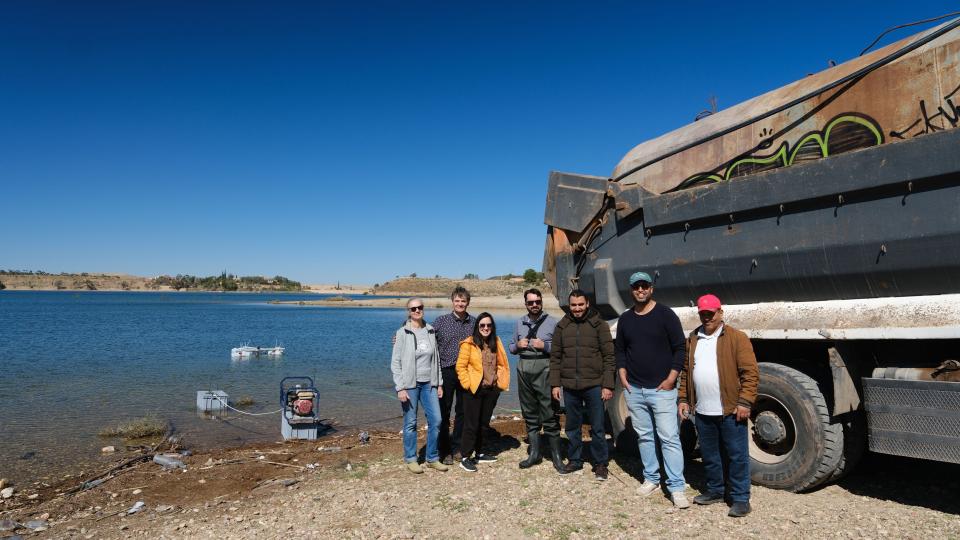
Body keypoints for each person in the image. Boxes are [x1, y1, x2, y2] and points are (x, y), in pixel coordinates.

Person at [678, 294, 759, 518]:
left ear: (720, 313)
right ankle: (715, 490)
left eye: (710, 314)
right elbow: (686, 373)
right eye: (703, 314)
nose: (707, 318)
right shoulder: (693, 338)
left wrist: (744, 402)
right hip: (703, 411)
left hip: (730, 409)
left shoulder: (736, 338)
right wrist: (683, 398)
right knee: (710, 455)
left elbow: (750, 373)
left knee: (737, 456)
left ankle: (741, 498)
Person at [615, 271, 689, 508]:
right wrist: (622, 374)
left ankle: (677, 486)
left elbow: (680, 349)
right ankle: (651, 478)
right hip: (635, 389)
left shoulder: (666, 315)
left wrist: (671, 379)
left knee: (669, 437)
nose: (640, 290)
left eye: (644, 286)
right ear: (631, 290)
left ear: (651, 288)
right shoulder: (626, 318)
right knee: (645, 436)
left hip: (662, 390)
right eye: (636, 286)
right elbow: (620, 350)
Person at [549, 290, 616, 480]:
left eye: (580, 304)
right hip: (570, 386)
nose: (577, 308)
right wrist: (555, 384)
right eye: (573, 305)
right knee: (572, 427)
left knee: (597, 427)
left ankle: (600, 463)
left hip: (594, 385)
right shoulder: (562, 326)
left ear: (587, 304)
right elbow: (555, 358)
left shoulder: (599, 325)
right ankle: (575, 460)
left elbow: (609, 357)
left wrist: (608, 385)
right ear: (569, 306)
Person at [390, 298, 449, 474]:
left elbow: (436, 360)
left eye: (420, 307)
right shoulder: (402, 333)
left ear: (423, 309)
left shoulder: (430, 330)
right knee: (410, 422)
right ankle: (411, 459)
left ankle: (432, 457)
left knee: (437, 420)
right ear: (408, 312)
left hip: (429, 384)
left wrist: (439, 383)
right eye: (413, 308)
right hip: (410, 385)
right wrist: (400, 387)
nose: (417, 311)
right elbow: (395, 362)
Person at [509, 288, 563, 471]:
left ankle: (556, 457)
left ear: (541, 302)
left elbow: (560, 349)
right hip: (523, 369)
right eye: (531, 302)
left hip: (544, 368)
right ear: (525, 304)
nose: (534, 305)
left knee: (548, 411)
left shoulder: (552, 322)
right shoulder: (519, 322)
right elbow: (510, 347)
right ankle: (535, 454)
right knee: (529, 412)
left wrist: (545, 345)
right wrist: (517, 345)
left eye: (537, 302)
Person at [455, 312, 510, 472]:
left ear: (492, 327)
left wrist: (499, 384)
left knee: (483, 423)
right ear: (477, 327)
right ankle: (465, 457)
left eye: (489, 325)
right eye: (482, 325)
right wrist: (467, 384)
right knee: (471, 424)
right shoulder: (469, 344)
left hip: (491, 389)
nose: (486, 328)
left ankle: (479, 452)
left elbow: (501, 363)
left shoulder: (496, 342)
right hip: (474, 390)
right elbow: (461, 367)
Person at [431, 286, 476, 464]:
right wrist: (402, 335)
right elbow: (424, 337)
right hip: (446, 372)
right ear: (452, 302)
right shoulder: (441, 321)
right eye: (457, 300)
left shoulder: (473, 322)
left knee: (463, 412)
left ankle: (458, 446)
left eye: (463, 301)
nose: (460, 304)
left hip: (466, 371)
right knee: (443, 411)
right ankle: (445, 449)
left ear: (468, 303)